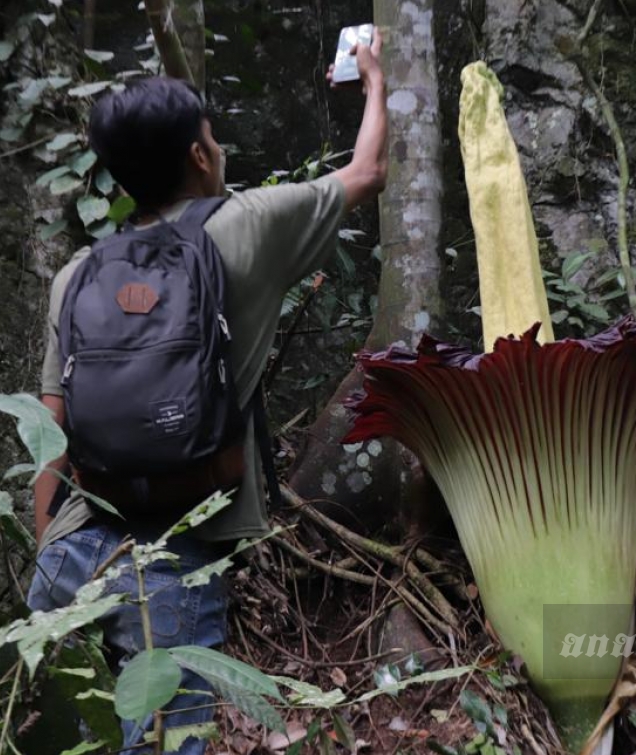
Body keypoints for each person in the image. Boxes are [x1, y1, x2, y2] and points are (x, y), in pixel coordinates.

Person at [27, 30, 388, 754]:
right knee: (165, 740)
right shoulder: (245, 226)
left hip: (71, 552)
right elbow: (368, 170)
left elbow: (50, 426)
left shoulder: (78, 274)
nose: (218, 148)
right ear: (199, 155)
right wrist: (375, 80)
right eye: (213, 137)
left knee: (62, 735)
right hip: (178, 551)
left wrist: (47, 547)